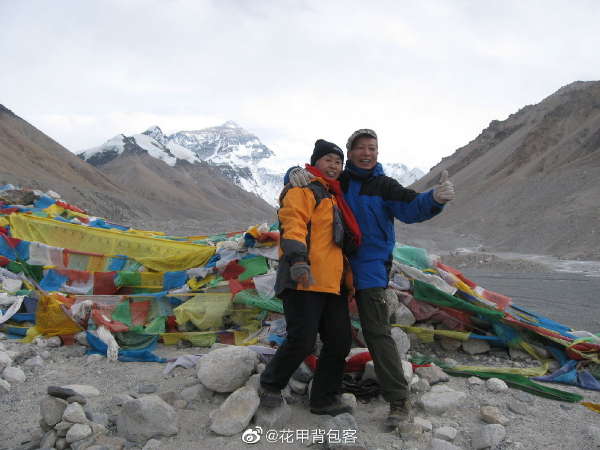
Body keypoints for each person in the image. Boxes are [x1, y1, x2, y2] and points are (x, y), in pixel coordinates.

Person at [287, 129, 455, 428]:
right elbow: (308, 184)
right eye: (361, 148)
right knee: (330, 334)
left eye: (372, 148)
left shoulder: (384, 186)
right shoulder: (337, 181)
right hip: (332, 270)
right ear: (349, 153)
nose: (367, 153)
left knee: (377, 333)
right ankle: (324, 393)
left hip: (370, 270)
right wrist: (292, 173)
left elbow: (411, 206)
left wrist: (435, 199)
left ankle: (398, 401)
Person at [259, 139, 362, 416]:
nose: (334, 165)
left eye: (338, 162)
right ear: (315, 162)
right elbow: (292, 223)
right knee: (301, 340)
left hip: (333, 284)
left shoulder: (334, 196)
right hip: (303, 277)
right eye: (328, 159)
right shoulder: (302, 189)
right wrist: (297, 260)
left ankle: (322, 398)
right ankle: (270, 385)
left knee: (339, 342)